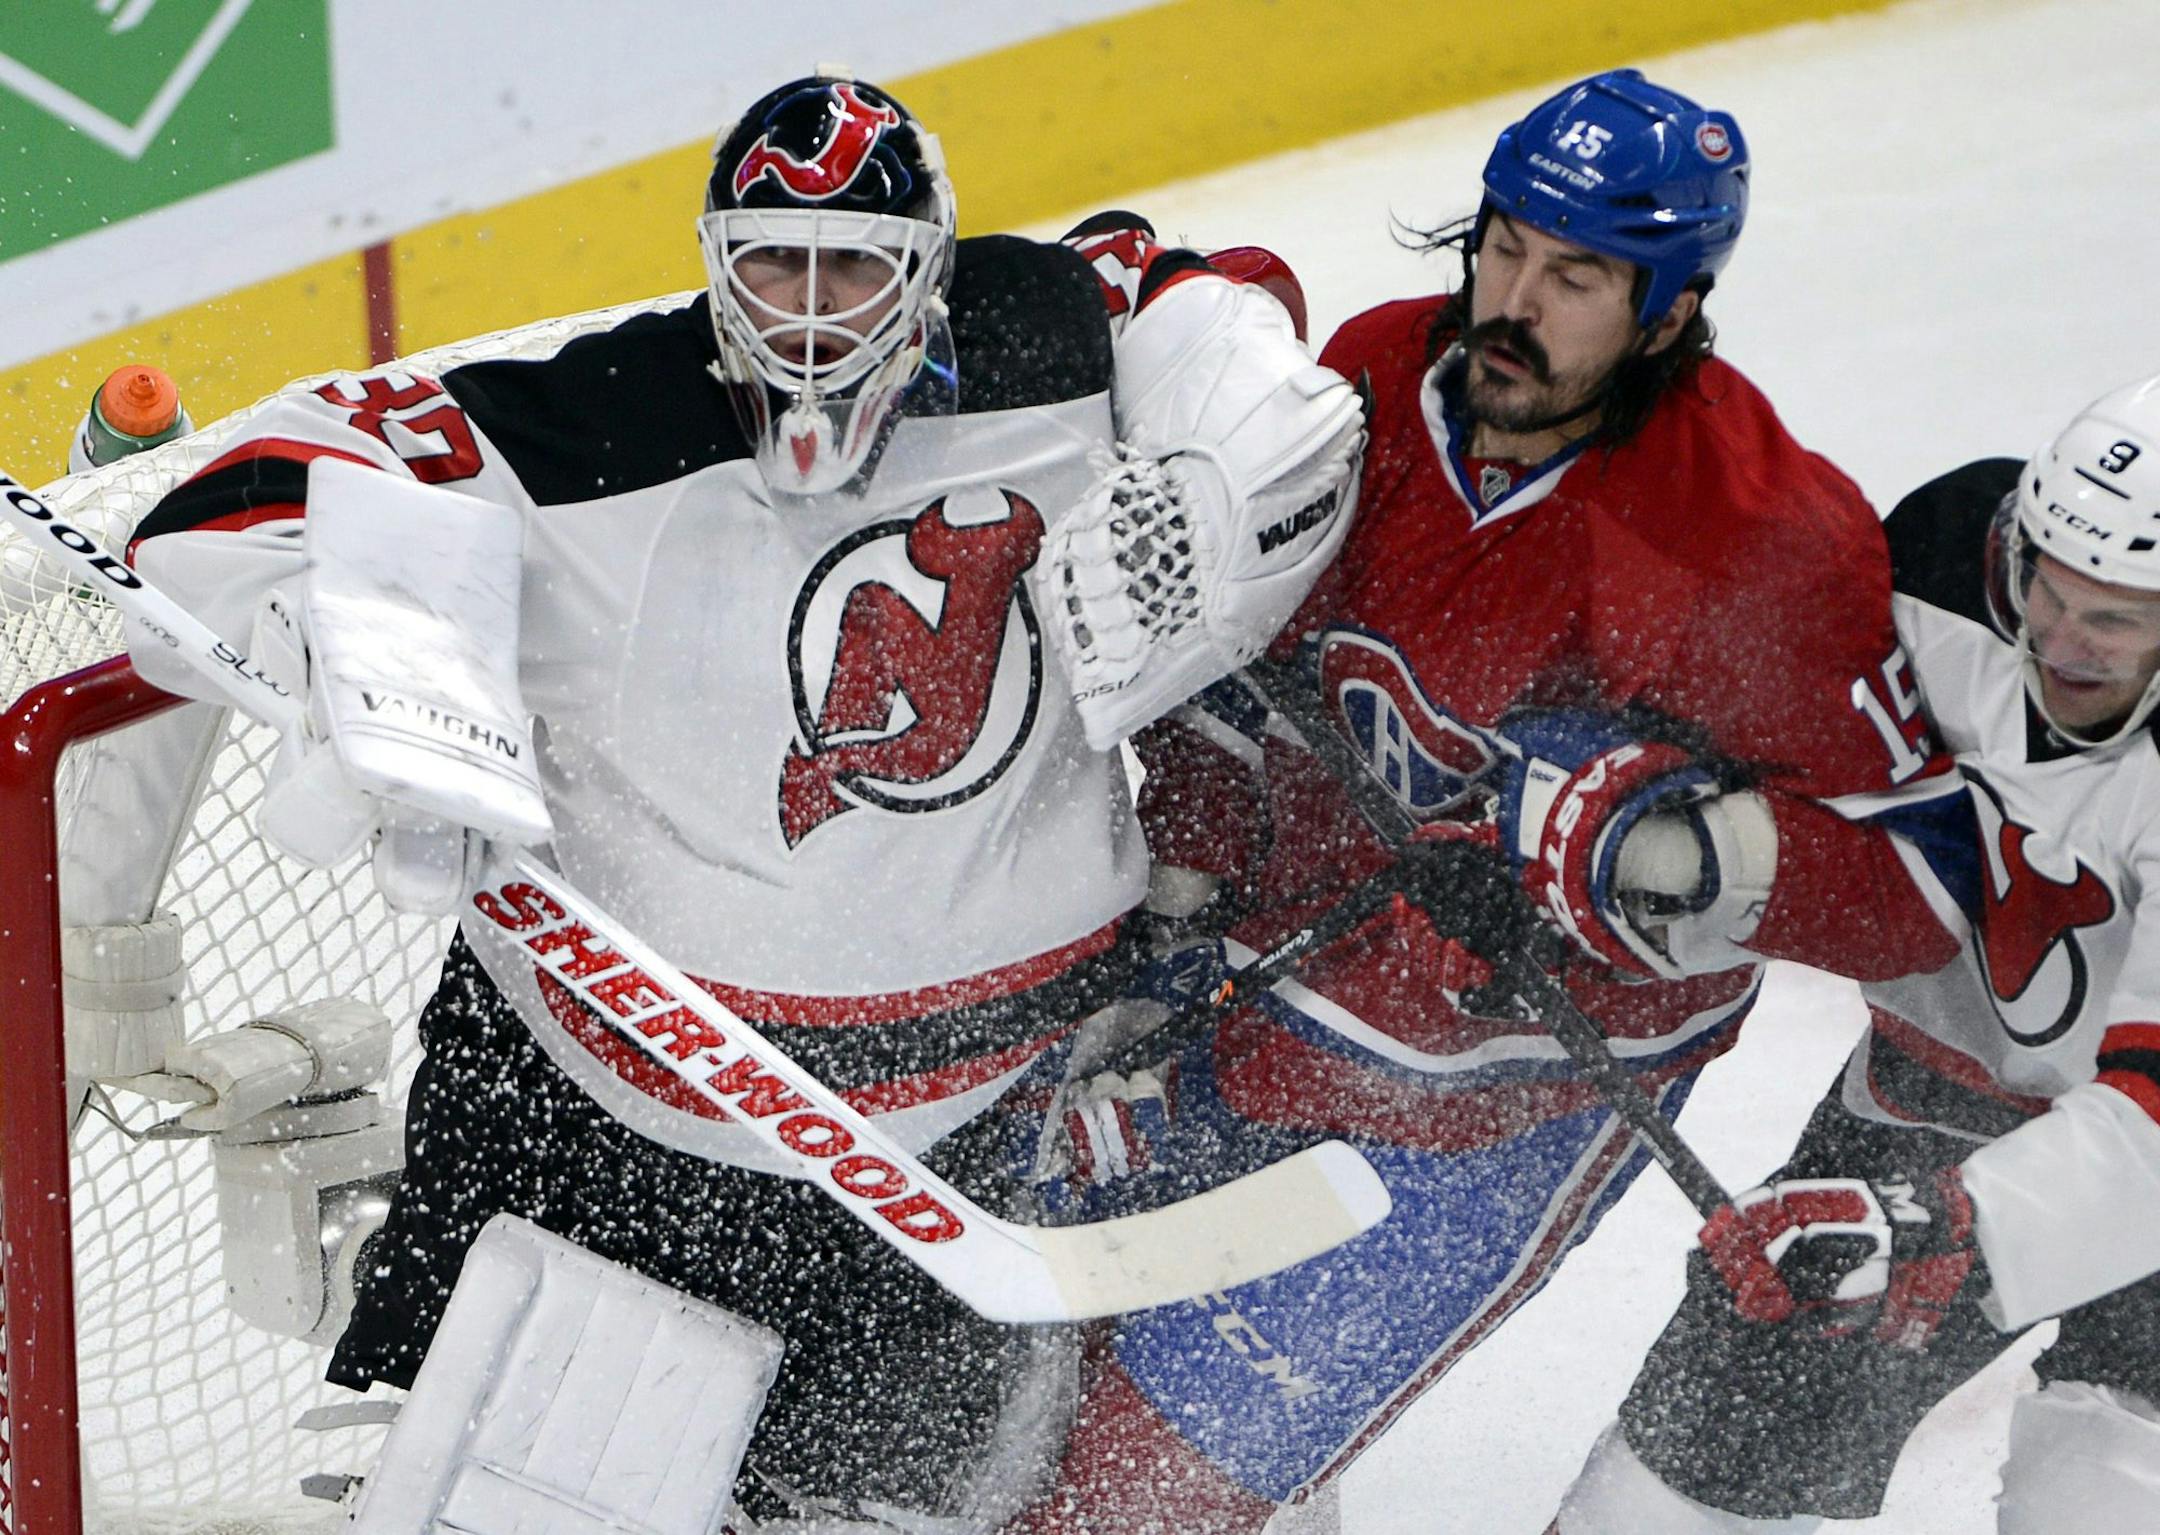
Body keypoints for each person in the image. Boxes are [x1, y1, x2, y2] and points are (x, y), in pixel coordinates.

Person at [116, 72, 1364, 1531]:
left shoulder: (1049, 335)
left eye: (857, 265)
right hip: (612, 1111)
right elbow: (247, 487)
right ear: (715, 260)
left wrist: (1226, 459)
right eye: (774, 262)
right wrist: (388, 659)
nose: (813, 312)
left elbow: (1200, 294)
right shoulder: (597, 426)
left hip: (988, 1120)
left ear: (934, 267)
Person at [998, 69, 1974, 1533]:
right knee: (1019, 1382)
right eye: (1505, 244)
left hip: (1493, 1105)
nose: (1512, 299)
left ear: (1672, 308)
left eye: (1575, 275)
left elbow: (1917, 887)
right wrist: (1180, 901)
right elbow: (1249, 665)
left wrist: (1660, 845)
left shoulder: (1761, 541)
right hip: (1259, 990)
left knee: (1128, 1503)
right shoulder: (1387, 372)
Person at [1551, 377, 2160, 1534]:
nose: (2060, 641)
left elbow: (2154, 1121)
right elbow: (1789, 742)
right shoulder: (1941, 554)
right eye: (2047, 587)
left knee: (2097, 1500)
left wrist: (1954, 1225)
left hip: (2144, 1161)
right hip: (1921, 1104)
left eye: (2115, 620)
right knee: (1655, 1504)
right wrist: (1648, 816)